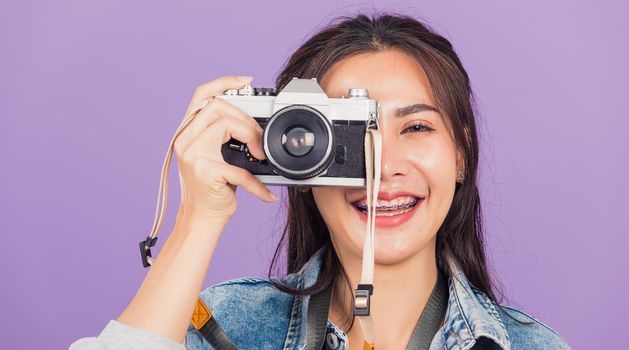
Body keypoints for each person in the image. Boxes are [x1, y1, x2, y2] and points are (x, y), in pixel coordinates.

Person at [70, 12, 571, 350]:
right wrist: (197, 219)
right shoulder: (222, 324)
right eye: (350, 136)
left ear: (460, 155)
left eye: (415, 127)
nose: (382, 166)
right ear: (299, 162)